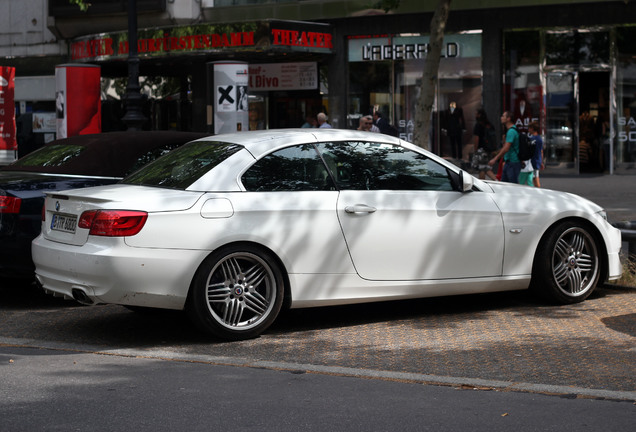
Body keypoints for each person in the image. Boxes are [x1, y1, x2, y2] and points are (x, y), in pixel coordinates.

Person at [489, 111, 521, 184]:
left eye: (503, 116)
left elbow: (506, 148)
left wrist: (495, 159)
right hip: (509, 162)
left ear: (508, 119)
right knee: (505, 185)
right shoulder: (512, 130)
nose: (501, 118)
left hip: (512, 163)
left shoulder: (511, 131)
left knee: (512, 186)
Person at [471, 108, 497, 181]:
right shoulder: (489, 125)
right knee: (483, 168)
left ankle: (495, 180)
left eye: (476, 114)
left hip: (481, 150)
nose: (475, 115)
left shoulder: (478, 125)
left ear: (479, 115)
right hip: (488, 149)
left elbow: (476, 138)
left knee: (483, 168)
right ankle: (483, 182)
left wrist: (475, 149)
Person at [528, 121, 544, 187]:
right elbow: (541, 151)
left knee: (535, 178)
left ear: (532, 128)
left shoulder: (531, 139)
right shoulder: (539, 139)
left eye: (529, 128)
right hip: (537, 160)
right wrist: (541, 162)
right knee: (535, 177)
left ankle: (538, 191)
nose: (528, 130)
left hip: (533, 161)